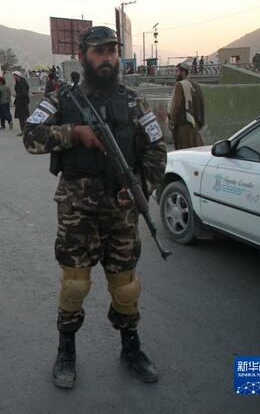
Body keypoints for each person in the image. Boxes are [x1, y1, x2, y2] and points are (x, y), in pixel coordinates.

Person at [23, 26, 166, 389]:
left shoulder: (134, 101)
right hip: (76, 212)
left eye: (112, 52)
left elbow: (156, 151)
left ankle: (131, 347)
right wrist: (74, 134)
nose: (108, 58)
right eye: (100, 52)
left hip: (121, 212)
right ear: (84, 56)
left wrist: (140, 188)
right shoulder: (62, 100)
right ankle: (66, 351)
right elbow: (31, 137)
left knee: (126, 287)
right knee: (74, 286)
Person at [167, 62, 205, 149]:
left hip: (182, 126)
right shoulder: (196, 85)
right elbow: (201, 105)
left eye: (177, 71)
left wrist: (172, 121)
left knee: (183, 152)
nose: (175, 74)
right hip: (194, 125)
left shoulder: (180, 85)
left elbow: (176, 105)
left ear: (183, 72)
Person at [13, 71, 30, 136]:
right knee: (21, 117)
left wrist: (16, 96)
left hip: (23, 103)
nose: (13, 77)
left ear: (17, 76)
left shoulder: (22, 83)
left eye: (14, 76)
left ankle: (26, 131)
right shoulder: (18, 82)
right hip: (19, 102)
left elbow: (24, 93)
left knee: (24, 117)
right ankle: (24, 131)